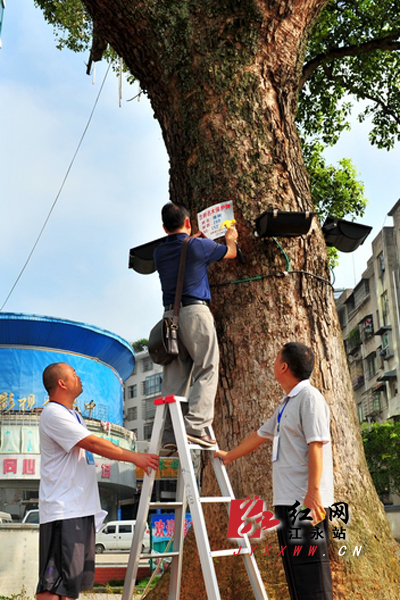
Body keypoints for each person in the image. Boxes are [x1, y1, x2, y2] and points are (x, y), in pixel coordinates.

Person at [215, 342, 334, 600]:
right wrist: (229, 456)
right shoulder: (286, 404)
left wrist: (313, 492)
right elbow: (260, 435)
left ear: (284, 367)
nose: (273, 363)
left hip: (305, 503)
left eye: (276, 358)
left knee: (312, 574)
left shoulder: (310, 398)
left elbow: (316, 445)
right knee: (295, 572)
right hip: (286, 500)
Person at [36, 362, 159, 600]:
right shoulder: (53, 413)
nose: (79, 378)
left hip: (80, 509)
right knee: (51, 586)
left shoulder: (73, 415)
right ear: (62, 383)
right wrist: (135, 457)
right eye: (74, 374)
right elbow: (93, 443)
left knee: (70, 585)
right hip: (63, 511)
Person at [154, 202, 238, 452]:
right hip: (195, 313)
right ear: (188, 222)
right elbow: (230, 253)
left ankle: (170, 437)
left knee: (174, 379)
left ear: (164, 228)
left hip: (170, 318)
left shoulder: (159, 252)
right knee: (207, 367)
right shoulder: (199, 246)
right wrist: (230, 239)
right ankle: (196, 426)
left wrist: (194, 240)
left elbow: (182, 252)